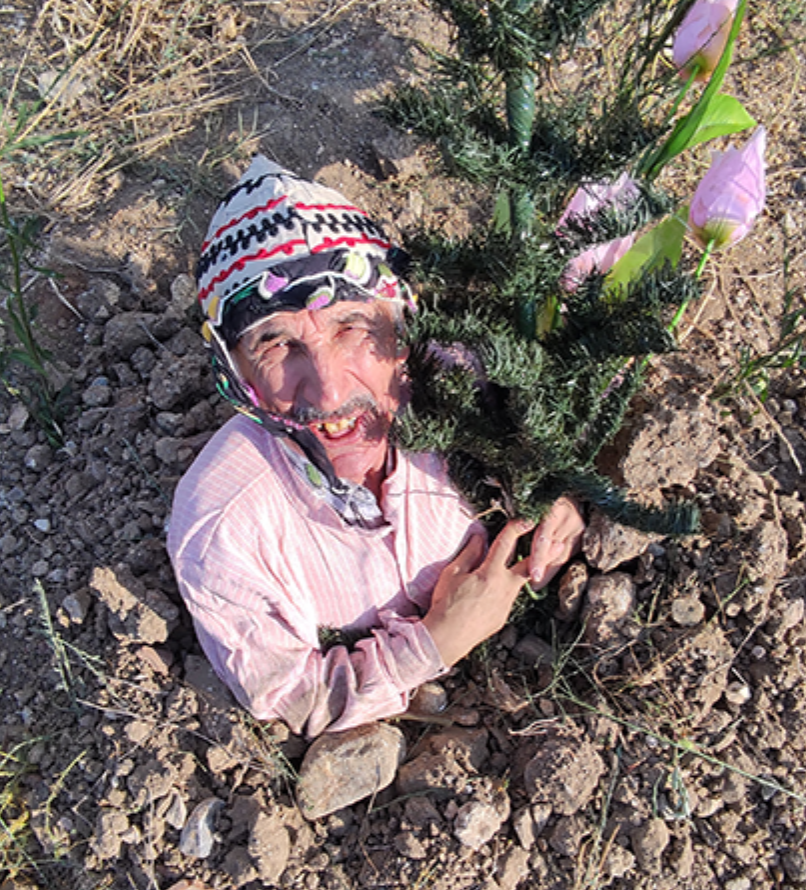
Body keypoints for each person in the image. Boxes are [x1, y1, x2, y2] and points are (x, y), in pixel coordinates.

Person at [165, 157, 584, 737]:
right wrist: (438, 642)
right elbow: (295, 700)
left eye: (351, 329)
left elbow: (555, 445)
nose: (330, 388)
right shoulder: (222, 524)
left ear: (399, 324)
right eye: (276, 343)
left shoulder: (463, 384)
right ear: (234, 371)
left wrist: (555, 495)